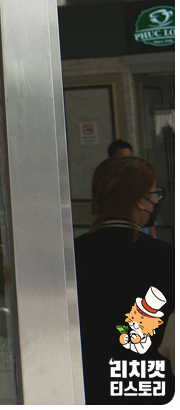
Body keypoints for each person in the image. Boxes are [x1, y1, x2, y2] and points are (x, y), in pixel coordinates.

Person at [75, 155, 174, 403]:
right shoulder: (167, 258)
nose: (156, 201)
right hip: (149, 388)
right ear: (140, 200)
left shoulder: (71, 255)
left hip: (85, 387)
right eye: (155, 194)